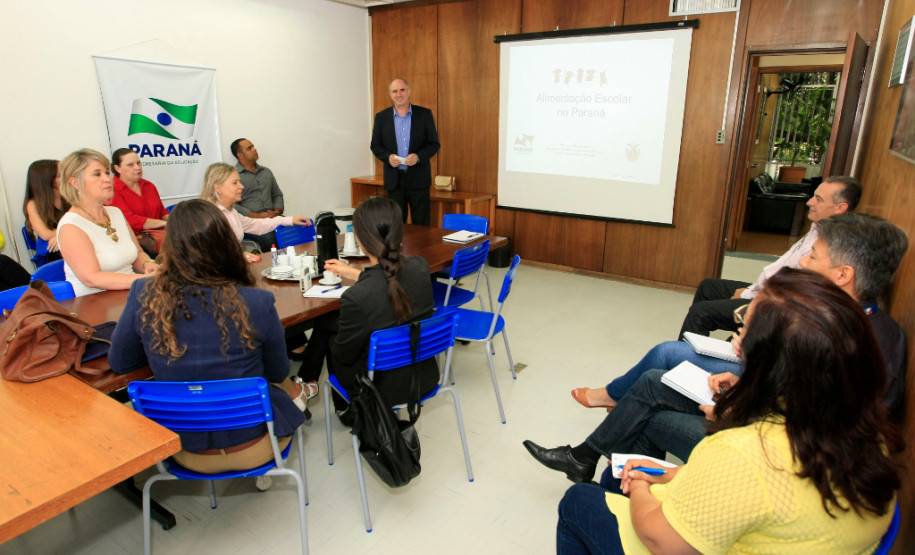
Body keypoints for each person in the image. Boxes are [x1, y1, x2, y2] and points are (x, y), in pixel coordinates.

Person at [526, 214, 908, 478]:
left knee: (648, 412)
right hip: (763, 421)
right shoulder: (851, 321)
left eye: (814, 255)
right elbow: (791, 397)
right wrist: (743, 387)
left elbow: (801, 438)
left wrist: (728, 412)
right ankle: (589, 460)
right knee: (655, 381)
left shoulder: (850, 345)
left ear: (844, 275)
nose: (803, 261)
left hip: (775, 461)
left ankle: (621, 487)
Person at [556, 269, 899, 554]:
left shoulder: (742, 452)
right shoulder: (864, 432)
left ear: (768, 360)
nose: (738, 333)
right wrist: (670, 476)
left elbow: (661, 541)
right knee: (625, 462)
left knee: (578, 501)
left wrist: (642, 488)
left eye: (746, 327)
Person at [109, 199, 315, 484]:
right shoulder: (256, 302)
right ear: (226, 244)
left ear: (169, 247)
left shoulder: (144, 294)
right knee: (281, 389)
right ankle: (304, 393)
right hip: (255, 447)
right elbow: (278, 372)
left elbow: (121, 363)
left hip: (182, 450)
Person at [678, 175, 861, 338]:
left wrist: (750, 294)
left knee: (700, 313)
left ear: (840, 207)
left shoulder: (831, 243)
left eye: (818, 199)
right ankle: (694, 350)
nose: (809, 202)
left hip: (778, 305)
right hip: (765, 290)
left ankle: (685, 364)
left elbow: (792, 288)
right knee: (708, 286)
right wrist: (751, 289)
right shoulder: (817, 227)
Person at [306, 196, 438, 417]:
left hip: (378, 386)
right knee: (330, 324)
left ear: (359, 238)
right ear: (399, 231)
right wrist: (358, 275)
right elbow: (389, 283)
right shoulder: (421, 267)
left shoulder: (356, 297)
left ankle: (347, 412)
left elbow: (344, 355)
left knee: (331, 337)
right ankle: (305, 379)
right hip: (423, 373)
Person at [57, 148, 157, 297]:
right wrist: (144, 279)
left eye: (106, 173)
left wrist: (148, 264)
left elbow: (138, 254)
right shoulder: (71, 226)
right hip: (96, 304)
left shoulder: (116, 213)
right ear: (75, 183)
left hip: (131, 294)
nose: (107, 179)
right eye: (97, 174)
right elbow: (92, 278)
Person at [200, 162, 310, 263]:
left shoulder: (231, 212)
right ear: (218, 187)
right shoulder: (207, 215)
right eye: (235, 183)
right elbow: (209, 253)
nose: (241, 186)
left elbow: (257, 225)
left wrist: (290, 220)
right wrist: (238, 255)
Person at [370, 78, 440, 226]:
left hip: (419, 181)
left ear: (408, 92)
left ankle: (421, 251)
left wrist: (419, 156)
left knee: (422, 226)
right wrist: (387, 157)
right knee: (395, 226)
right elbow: (375, 146)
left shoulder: (424, 115)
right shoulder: (381, 118)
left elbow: (434, 144)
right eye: (394, 91)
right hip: (394, 182)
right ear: (390, 94)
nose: (398, 94)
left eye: (402, 90)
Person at [108, 148, 169, 256]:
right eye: (130, 165)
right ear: (117, 168)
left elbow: (162, 211)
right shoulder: (111, 190)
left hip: (159, 241)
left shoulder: (149, 186)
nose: (137, 168)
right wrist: (165, 224)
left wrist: (176, 221)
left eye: (138, 163)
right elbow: (130, 221)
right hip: (133, 246)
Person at [230, 138, 286, 251]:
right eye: (249, 148)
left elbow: (277, 195)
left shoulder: (266, 172)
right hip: (249, 222)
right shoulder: (233, 175)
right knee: (271, 239)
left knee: (296, 228)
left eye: (253, 146)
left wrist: (277, 211)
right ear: (240, 155)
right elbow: (232, 204)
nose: (254, 149)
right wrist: (256, 215)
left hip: (272, 217)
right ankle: (273, 267)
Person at [22, 159, 70, 266]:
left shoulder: (69, 196)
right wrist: (64, 234)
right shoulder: (33, 204)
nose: (65, 177)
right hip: (52, 249)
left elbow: (89, 220)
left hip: (70, 240)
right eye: (59, 175)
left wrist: (62, 236)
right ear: (47, 180)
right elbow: (45, 234)